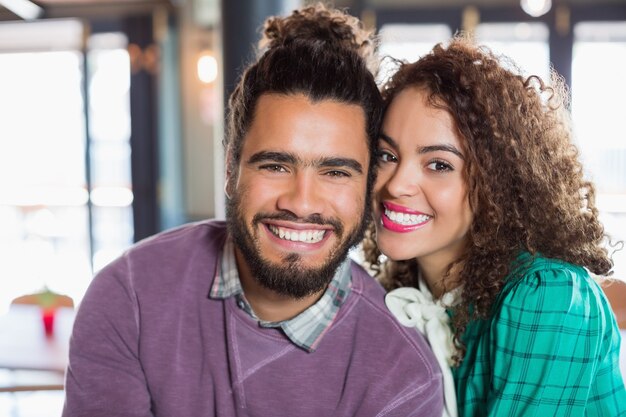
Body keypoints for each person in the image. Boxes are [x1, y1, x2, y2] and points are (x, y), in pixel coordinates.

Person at [62, 5, 444, 417]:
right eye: (276, 166)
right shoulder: (129, 296)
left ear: (369, 186)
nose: (300, 202)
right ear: (230, 169)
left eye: (335, 172)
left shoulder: (403, 375)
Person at [363, 35, 626, 417]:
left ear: (495, 186)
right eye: (387, 155)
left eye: (438, 164)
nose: (397, 184)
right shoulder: (400, 295)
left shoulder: (545, 295)